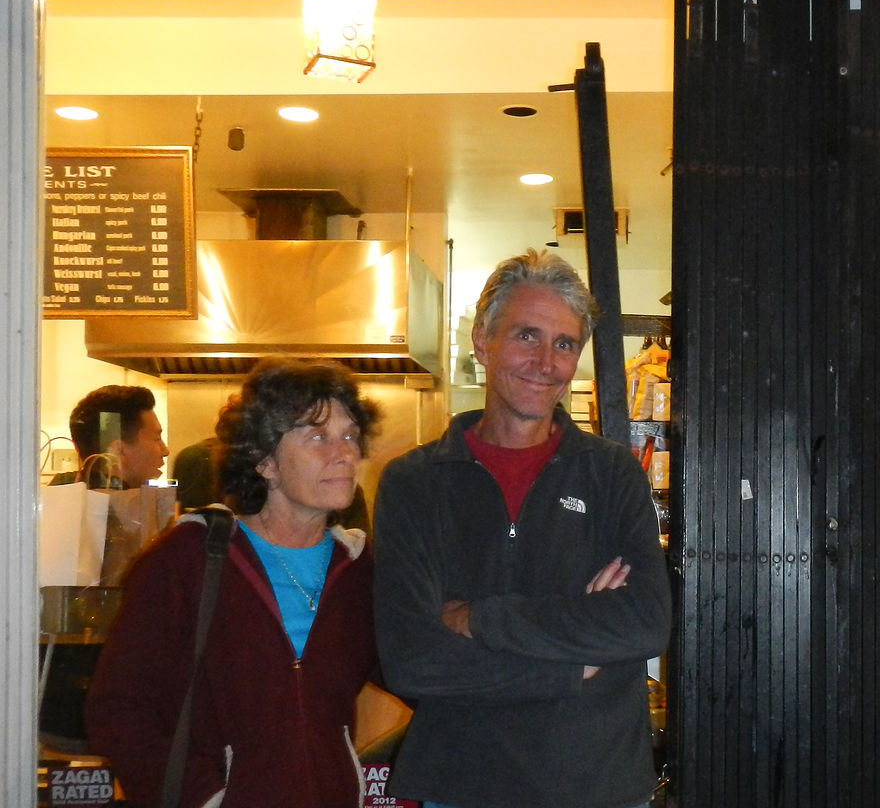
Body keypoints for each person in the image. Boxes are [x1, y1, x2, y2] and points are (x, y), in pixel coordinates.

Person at [373, 248, 671, 808]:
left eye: (565, 344)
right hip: (461, 787)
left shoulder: (611, 474)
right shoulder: (414, 483)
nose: (546, 362)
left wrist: (477, 618)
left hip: (597, 787)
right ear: (481, 342)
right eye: (526, 335)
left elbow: (643, 625)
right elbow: (412, 662)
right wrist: (575, 663)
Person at [85, 358, 382, 808]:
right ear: (265, 461)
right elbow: (119, 707)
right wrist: (204, 798)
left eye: (350, 435)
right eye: (318, 436)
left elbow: (420, 673)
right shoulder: (190, 559)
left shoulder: (361, 570)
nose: (344, 453)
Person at [51, 384, 169, 489]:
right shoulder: (120, 506)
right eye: (157, 439)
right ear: (117, 451)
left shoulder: (58, 497)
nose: (165, 451)